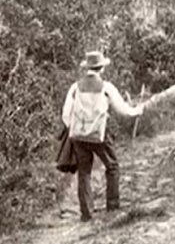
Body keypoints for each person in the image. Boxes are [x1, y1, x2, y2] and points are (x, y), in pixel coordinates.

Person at [62, 51, 145, 222]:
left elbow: (65, 114)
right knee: (112, 166)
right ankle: (112, 207)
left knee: (84, 172)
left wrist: (74, 128)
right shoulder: (106, 87)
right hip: (99, 134)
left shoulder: (75, 87)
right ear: (101, 68)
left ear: (87, 68)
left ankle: (86, 213)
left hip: (78, 135)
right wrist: (137, 111)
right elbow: (122, 110)